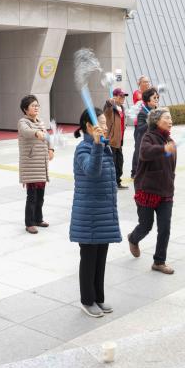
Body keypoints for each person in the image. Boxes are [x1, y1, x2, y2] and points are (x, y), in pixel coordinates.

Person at [70, 108, 121, 318]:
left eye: (105, 122)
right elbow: (92, 171)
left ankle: (98, 297)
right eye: (101, 122)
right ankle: (87, 300)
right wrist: (98, 145)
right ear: (89, 127)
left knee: (101, 258)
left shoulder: (104, 147)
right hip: (89, 214)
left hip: (104, 212)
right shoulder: (83, 149)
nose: (106, 126)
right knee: (89, 259)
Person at [128, 108, 177, 274]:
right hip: (147, 190)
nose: (170, 121)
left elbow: (171, 167)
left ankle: (159, 261)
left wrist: (171, 183)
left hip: (166, 192)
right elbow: (144, 153)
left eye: (171, 118)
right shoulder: (148, 137)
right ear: (156, 121)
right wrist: (163, 149)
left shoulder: (170, 140)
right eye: (167, 118)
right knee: (146, 225)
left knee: (165, 228)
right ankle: (133, 238)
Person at [18, 95, 54, 234]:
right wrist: (36, 133)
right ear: (25, 109)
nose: (36, 107)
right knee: (31, 196)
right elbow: (27, 132)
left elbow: (47, 136)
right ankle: (29, 223)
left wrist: (51, 149)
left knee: (41, 196)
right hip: (31, 165)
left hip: (41, 164)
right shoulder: (23, 122)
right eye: (33, 105)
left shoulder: (40, 121)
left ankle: (38, 219)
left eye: (37, 105)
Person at [131, 87, 158, 182]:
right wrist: (151, 121)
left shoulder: (156, 111)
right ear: (147, 100)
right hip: (144, 142)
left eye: (157, 97)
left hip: (154, 142)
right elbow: (140, 128)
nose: (156, 99)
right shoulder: (142, 113)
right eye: (154, 97)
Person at [105, 88, 128, 189]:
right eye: (121, 96)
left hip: (119, 140)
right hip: (112, 140)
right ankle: (111, 183)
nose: (123, 98)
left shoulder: (122, 108)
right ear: (115, 97)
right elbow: (107, 110)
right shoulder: (110, 108)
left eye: (124, 96)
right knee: (112, 163)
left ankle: (117, 182)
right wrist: (109, 103)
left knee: (119, 163)